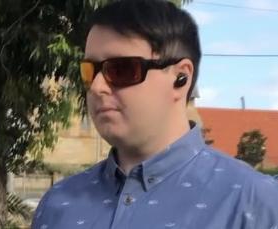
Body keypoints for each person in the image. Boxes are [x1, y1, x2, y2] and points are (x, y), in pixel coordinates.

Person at [32, 0, 278, 228]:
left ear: (180, 78)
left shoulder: (254, 203)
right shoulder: (57, 205)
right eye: (90, 72)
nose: (97, 87)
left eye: (120, 69)